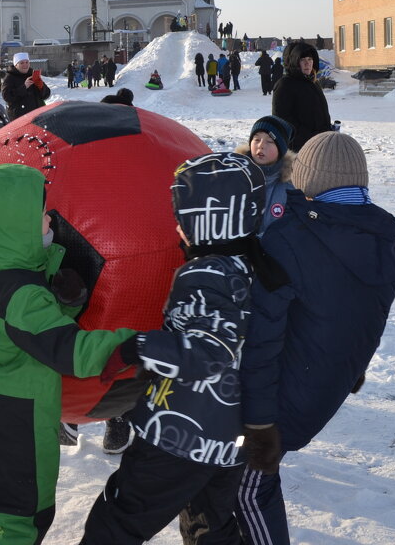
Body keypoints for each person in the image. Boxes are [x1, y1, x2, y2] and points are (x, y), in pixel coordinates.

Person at [182, 132, 395, 545]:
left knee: (249, 489)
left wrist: (261, 422)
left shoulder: (292, 239)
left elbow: (261, 342)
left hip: (284, 398)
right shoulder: (385, 243)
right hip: (327, 381)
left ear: (307, 177)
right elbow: (364, 318)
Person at [80, 152, 288, 544]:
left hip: (180, 432)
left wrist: (136, 346)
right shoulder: (254, 264)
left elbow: (208, 352)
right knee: (209, 524)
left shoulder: (206, 271)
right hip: (227, 438)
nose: (178, 226)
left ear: (208, 217)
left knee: (118, 518)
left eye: (184, 216)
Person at [0, 164, 135, 545]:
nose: (49, 217)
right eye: (39, 215)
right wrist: (133, 345)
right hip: (21, 416)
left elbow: (21, 332)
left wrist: (63, 299)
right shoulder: (24, 296)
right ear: (14, 228)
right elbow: (67, 350)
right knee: (24, 516)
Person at [236, 115, 295, 233]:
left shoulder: (290, 187)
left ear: (281, 150)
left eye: (270, 141)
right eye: (256, 139)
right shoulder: (234, 175)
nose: (261, 145)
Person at [271, 42, 331, 152]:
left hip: (321, 144)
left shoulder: (313, 82)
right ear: (295, 62)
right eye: (302, 60)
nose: (307, 63)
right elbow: (283, 120)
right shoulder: (285, 85)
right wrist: (310, 137)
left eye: (310, 59)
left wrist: (329, 130)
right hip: (300, 149)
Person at [1, 52, 50, 121]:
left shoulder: (32, 75)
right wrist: (24, 87)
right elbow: (6, 96)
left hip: (38, 116)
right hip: (20, 119)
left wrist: (41, 87)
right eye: (22, 63)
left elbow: (46, 95)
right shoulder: (10, 78)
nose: (25, 65)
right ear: (16, 65)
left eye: (27, 62)